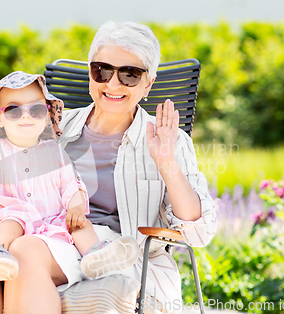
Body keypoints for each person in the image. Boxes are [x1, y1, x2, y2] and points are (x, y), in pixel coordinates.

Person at [0, 72, 138, 313]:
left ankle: (96, 256)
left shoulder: (55, 154)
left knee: (79, 222)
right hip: (11, 226)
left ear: (46, 116)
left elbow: (72, 186)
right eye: (14, 111)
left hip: (52, 234)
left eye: (36, 110)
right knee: (9, 220)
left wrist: (76, 207)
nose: (26, 116)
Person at [57, 21, 218, 313]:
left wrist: (166, 162)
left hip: (130, 262)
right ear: (90, 74)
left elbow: (198, 233)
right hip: (55, 245)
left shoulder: (169, 139)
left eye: (130, 74)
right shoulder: (56, 130)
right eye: (102, 70)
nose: (113, 84)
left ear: (148, 84)